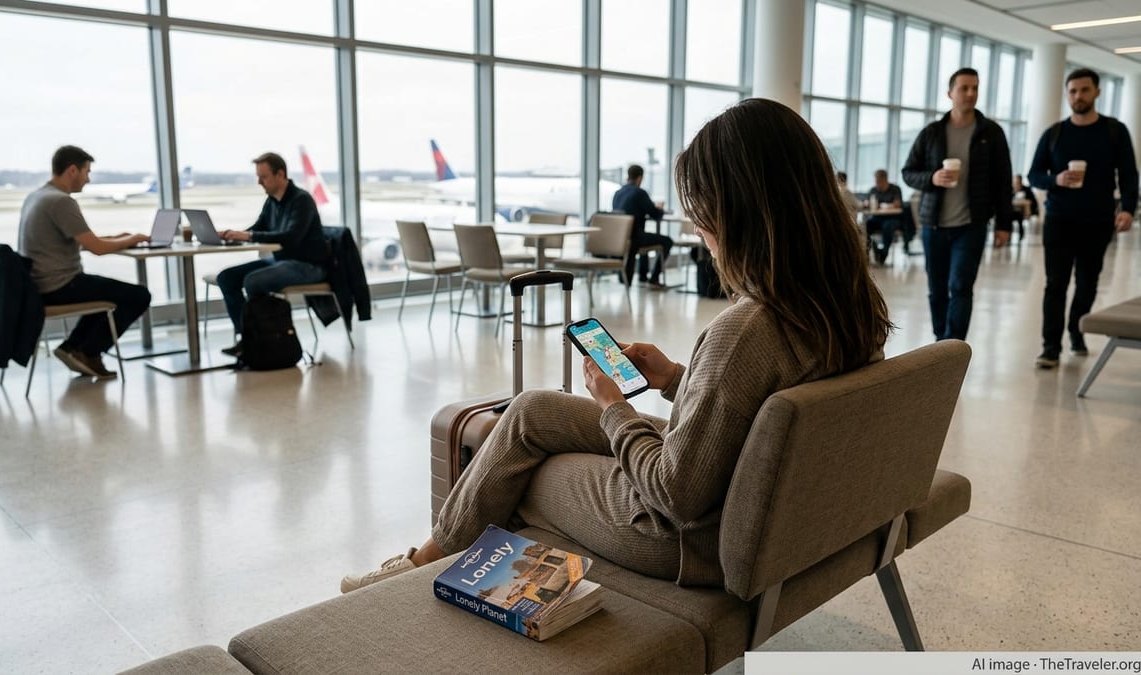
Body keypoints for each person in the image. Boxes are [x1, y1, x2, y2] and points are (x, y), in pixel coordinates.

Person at [339, 99, 892, 593]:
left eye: (702, 214)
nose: (699, 229)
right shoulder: (850, 304)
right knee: (531, 411)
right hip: (752, 496)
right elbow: (756, 413)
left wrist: (614, 407)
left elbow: (676, 494)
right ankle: (428, 559)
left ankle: (424, 576)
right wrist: (675, 378)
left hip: (679, 536)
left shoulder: (746, 330)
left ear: (739, 214)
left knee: (512, 469)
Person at [1028, 68, 1137, 369]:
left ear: (1097, 92)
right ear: (1067, 94)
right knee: (1055, 284)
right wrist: (1056, 180)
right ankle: (1050, 347)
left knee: (1087, 283)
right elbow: (1034, 174)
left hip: (1098, 221)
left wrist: (1127, 208)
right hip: (1059, 221)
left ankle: (1076, 330)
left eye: (1084, 90)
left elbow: (1129, 175)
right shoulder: (1055, 134)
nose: (1078, 96)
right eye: (1073, 91)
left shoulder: (1115, 131)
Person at [16, 145, 152, 378]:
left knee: (106, 291)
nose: (88, 180)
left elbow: (82, 240)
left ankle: (73, 347)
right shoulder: (61, 202)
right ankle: (88, 352)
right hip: (59, 285)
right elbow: (96, 248)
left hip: (39, 283)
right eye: (87, 172)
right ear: (72, 170)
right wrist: (135, 238)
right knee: (138, 296)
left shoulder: (38, 196)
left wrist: (120, 239)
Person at [902, 67, 1013, 342]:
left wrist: (1004, 224)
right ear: (950, 93)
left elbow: (1003, 180)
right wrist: (932, 177)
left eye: (975, 88)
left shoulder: (991, 132)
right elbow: (908, 172)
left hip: (971, 224)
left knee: (960, 286)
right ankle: (941, 341)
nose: (970, 94)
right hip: (934, 225)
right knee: (937, 289)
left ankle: (953, 347)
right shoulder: (932, 133)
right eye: (964, 88)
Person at [215, 152, 329, 357]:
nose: (259, 182)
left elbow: (291, 237)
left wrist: (248, 235)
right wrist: (232, 236)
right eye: (258, 177)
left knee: (254, 281)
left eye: (263, 177)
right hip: (282, 260)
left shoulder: (301, 200)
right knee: (226, 278)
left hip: (309, 265)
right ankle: (247, 337)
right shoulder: (271, 202)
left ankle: (263, 339)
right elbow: (257, 229)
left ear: (280, 175)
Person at [611, 165, 673, 289]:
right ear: (640, 178)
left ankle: (643, 276)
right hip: (635, 238)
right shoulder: (640, 193)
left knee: (645, 236)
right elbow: (655, 214)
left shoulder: (618, 193)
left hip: (621, 238)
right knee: (667, 241)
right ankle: (654, 278)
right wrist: (659, 209)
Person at [865, 169, 908, 265]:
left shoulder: (895, 189)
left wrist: (886, 206)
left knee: (887, 226)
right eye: (876, 181)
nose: (877, 184)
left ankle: (883, 254)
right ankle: (872, 250)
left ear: (885, 180)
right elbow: (868, 203)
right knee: (866, 225)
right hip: (877, 218)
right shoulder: (873, 190)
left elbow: (897, 204)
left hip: (893, 218)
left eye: (879, 181)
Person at [1011, 174, 1038, 242]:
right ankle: (1008, 235)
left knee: (1019, 217)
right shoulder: (1010, 189)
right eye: (1015, 182)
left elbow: (1033, 201)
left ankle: (1021, 234)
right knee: (1008, 217)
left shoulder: (1026, 190)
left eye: (1018, 182)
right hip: (1011, 211)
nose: (1016, 184)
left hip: (1022, 212)